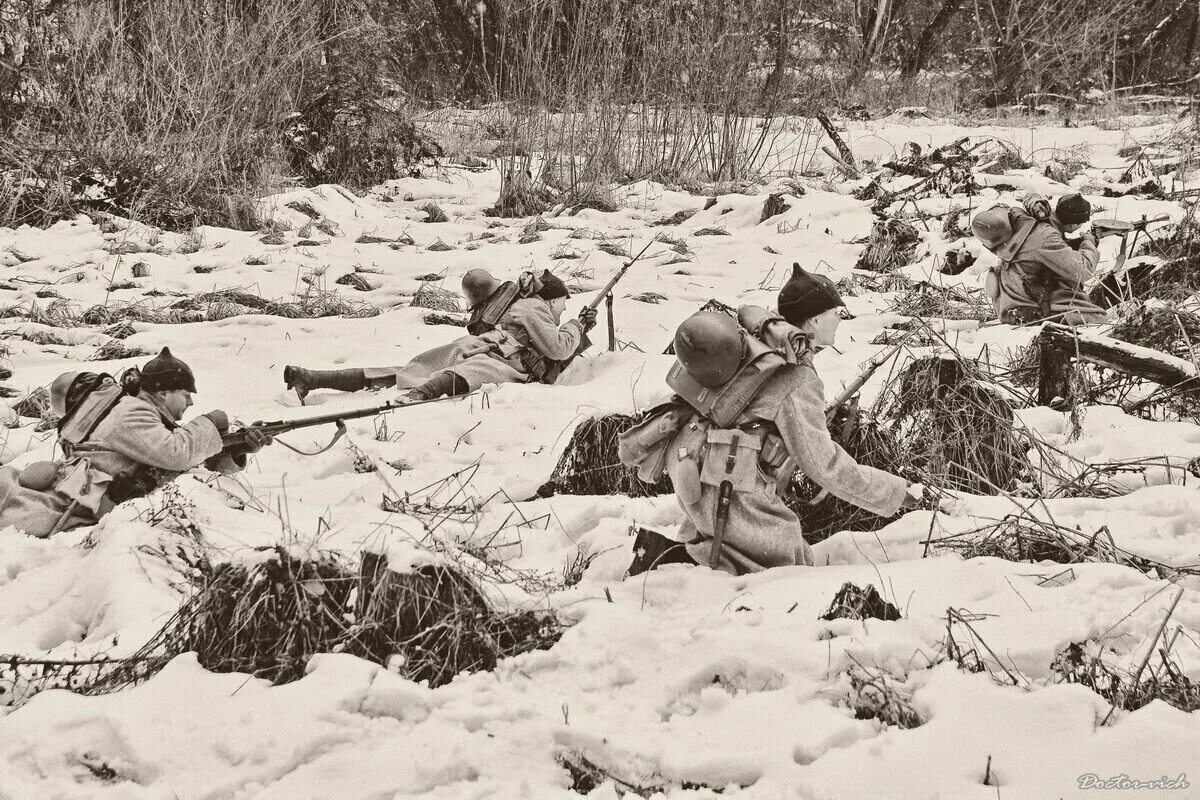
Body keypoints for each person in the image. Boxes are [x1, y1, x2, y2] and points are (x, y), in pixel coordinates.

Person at [618, 264, 922, 576]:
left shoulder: (757, 345)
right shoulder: (796, 377)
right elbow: (824, 465)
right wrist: (896, 492)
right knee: (788, 572)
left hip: (696, 470)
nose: (840, 320)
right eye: (836, 312)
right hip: (731, 488)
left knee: (721, 555)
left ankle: (676, 568)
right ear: (815, 319)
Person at [0, 348, 271, 538]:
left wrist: (238, 450)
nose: (191, 402)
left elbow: (185, 460)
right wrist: (211, 421)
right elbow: (177, 453)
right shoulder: (131, 413)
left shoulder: (150, 417)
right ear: (163, 392)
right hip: (62, 508)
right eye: (186, 394)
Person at [283, 269, 598, 404]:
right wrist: (574, 325)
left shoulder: (517, 307)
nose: (563, 308)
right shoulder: (536, 308)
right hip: (498, 357)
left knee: (409, 369)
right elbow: (557, 349)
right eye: (563, 303)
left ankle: (313, 378)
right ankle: (421, 395)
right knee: (469, 373)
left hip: (477, 345)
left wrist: (581, 329)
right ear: (552, 299)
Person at [974, 192, 1106, 326]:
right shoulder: (1045, 236)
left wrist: (1034, 200)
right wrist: (1088, 243)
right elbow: (1083, 270)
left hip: (1009, 300)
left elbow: (1042, 249)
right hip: (1026, 309)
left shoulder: (1023, 219)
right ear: (1074, 225)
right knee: (1098, 321)